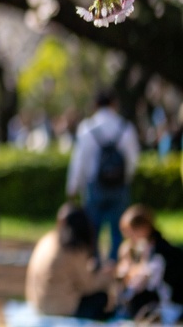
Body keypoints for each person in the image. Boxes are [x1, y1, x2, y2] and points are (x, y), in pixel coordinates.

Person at [67, 90, 139, 262]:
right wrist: (125, 179)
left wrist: (73, 187)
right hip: (119, 186)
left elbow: (79, 161)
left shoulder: (87, 128)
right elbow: (133, 159)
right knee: (118, 230)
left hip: (94, 187)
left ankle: (96, 266)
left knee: (92, 230)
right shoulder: (125, 127)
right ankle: (115, 265)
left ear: (95, 105)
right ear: (114, 104)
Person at [25, 204, 116, 321]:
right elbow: (88, 285)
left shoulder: (48, 239)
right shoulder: (72, 247)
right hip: (59, 308)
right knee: (101, 298)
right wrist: (107, 275)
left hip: (37, 303)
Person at [116, 205, 183, 319]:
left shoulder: (161, 252)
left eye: (131, 233)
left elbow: (141, 283)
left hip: (170, 306)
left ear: (144, 228)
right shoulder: (144, 247)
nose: (129, 239)